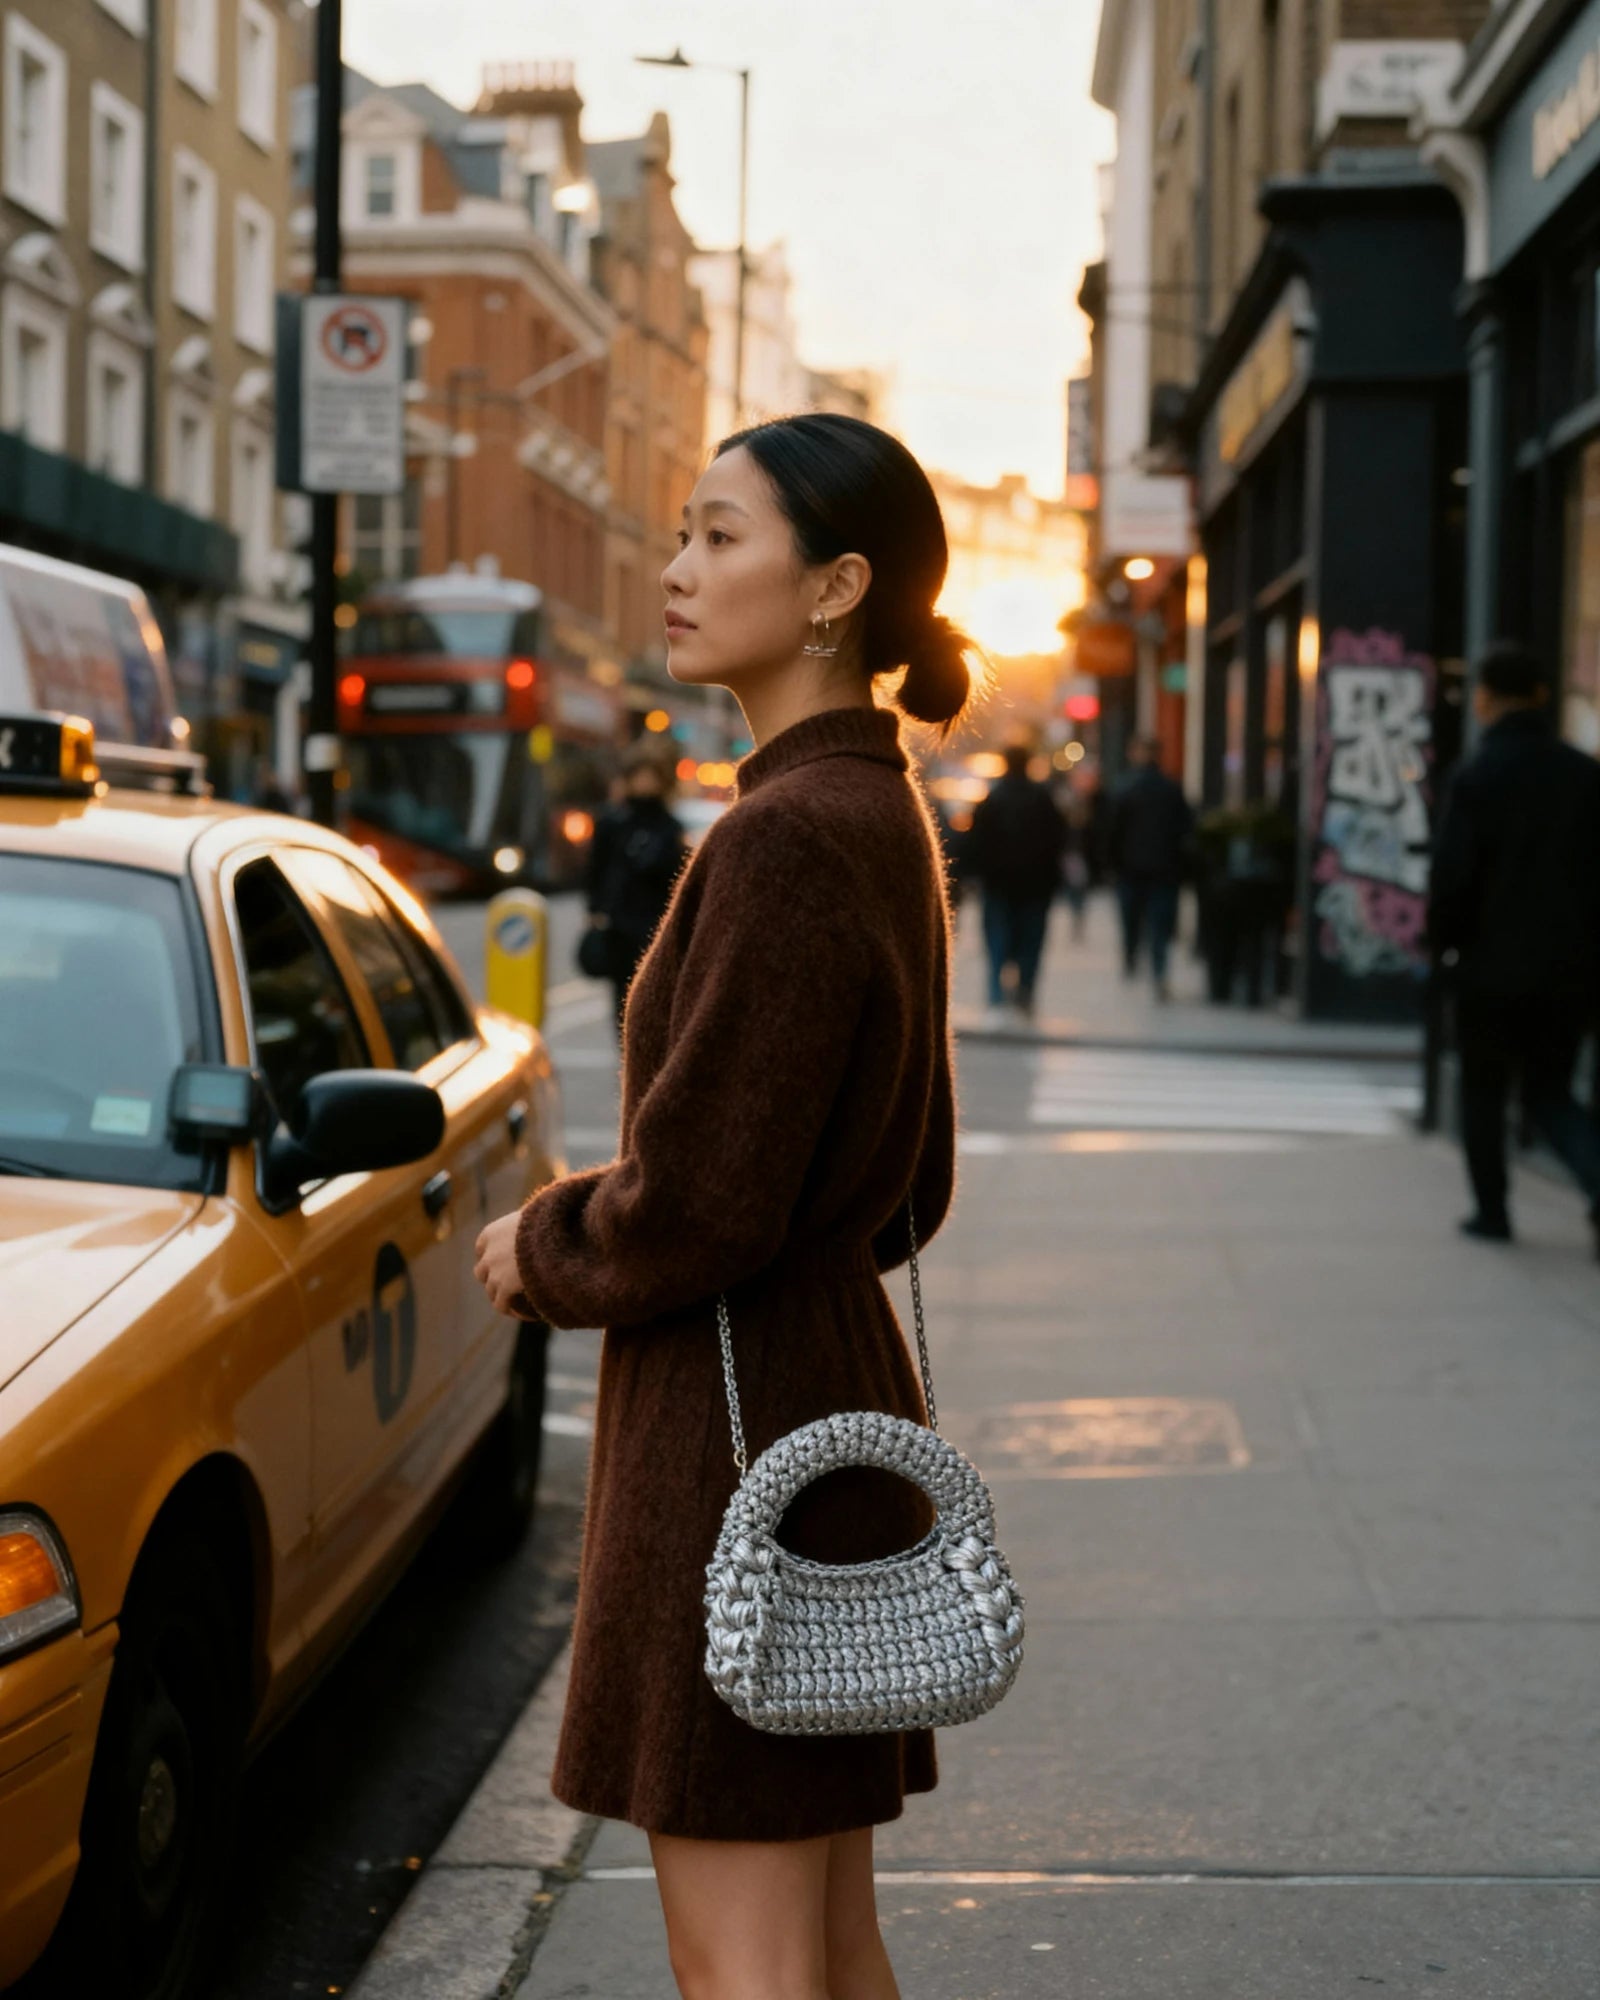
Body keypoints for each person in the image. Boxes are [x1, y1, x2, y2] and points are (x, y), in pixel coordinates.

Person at [473, 412, 972, 2000]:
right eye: (683, 535)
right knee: (826, 1945)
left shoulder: (785, 835)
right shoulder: (873, 810)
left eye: (718, 535)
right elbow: (909, 1189)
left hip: (734, 1440)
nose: (676, 571)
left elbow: (699, 1206)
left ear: (835, 587)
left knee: (745, 1967)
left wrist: (544, 1245)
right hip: (825, 1403)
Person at [1429, 639, 1600, 1250]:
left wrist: (1443, 951)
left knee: (1483, 1090)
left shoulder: (1477, 776)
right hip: (1571, 967)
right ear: (1541, 695)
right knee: (1550, 1091)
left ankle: (1492, 1210)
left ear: (1484, 698)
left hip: (1489, 967)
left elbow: (1453, 878)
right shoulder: (1584, 775)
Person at [584, 742, 687, 1034]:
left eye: (650, 776)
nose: (644, 783)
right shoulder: (612, 823)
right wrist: (595, 911)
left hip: (655, 926)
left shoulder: (669, 827)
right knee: (622, 1001)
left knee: (657, 1000)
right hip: (619, 926)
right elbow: (595, 871)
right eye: (639, 776)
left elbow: (674, 876)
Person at [963, 742, 1067, 1024]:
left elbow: (976, 842)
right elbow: (1058, 840)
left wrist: (974, 875)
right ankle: (1025, 992)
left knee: (997, 939)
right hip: (1036, 885)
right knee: (1031, 941)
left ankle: (996, 996)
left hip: (998, 884)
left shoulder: (992, 799)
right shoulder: (1042, 799)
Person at [1108, 736, 1192, 1001]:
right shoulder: (1170, 788)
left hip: (1133, 868)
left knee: (1132, 919)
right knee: (1159, 924)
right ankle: (1158, 970)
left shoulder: (1125, 788)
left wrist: (1111, 864)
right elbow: (1185, 829)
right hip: (1163, 868)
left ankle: (1133, 959)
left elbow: (1112, 831)